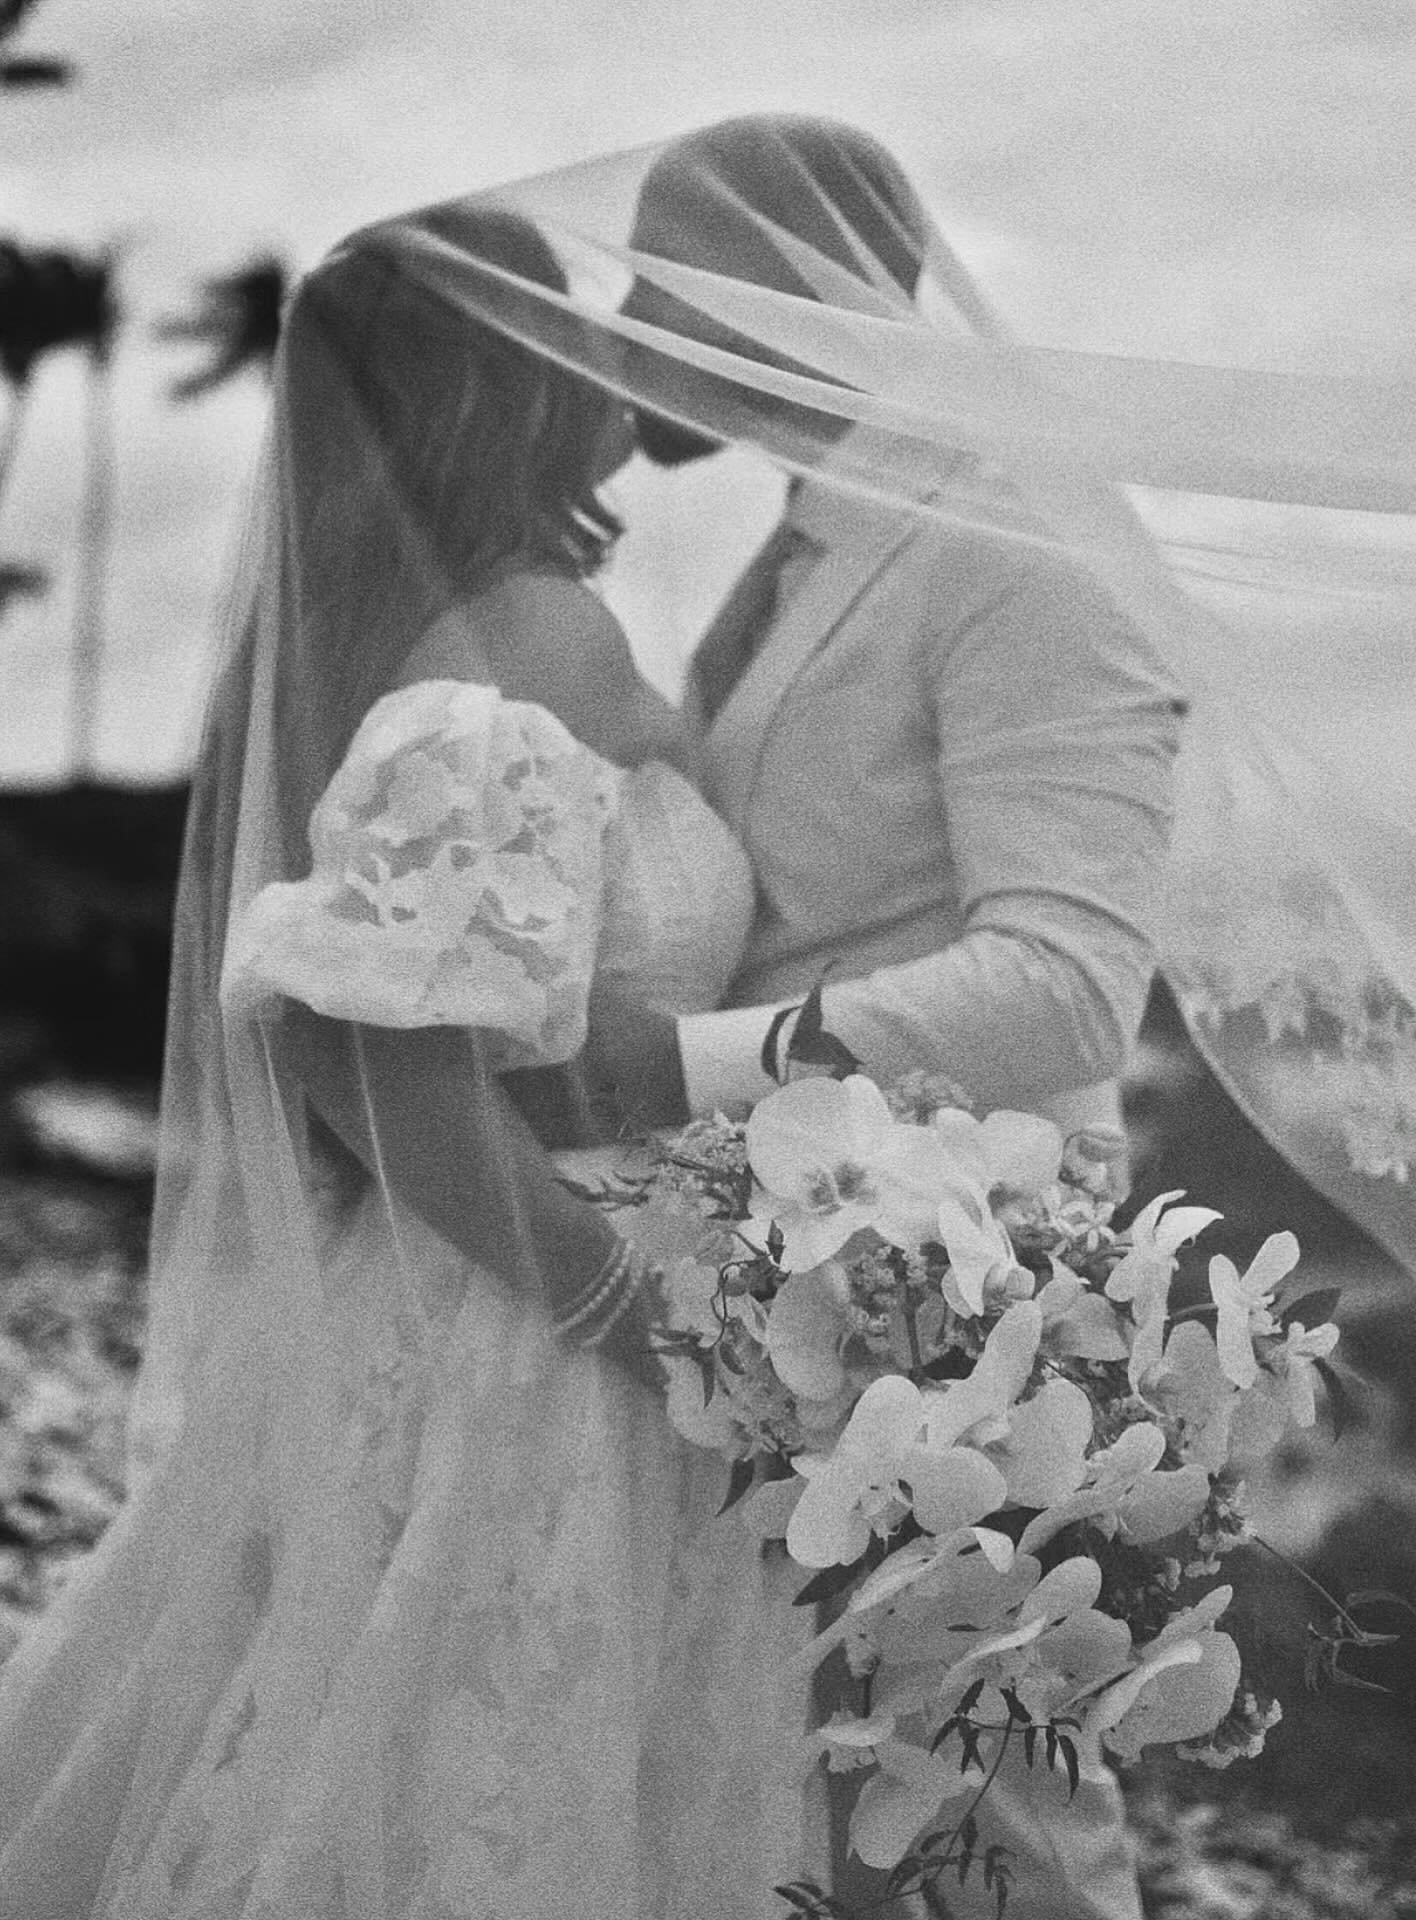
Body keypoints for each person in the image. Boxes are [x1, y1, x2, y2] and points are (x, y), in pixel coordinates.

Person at [0, 204, 811, 1920]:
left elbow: (344, 1056)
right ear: (491, 391)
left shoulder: (394, 644)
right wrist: (664, 1338)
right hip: (539, 1327)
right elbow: (414, 1094)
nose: (602, 355)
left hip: (450, 1299)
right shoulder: (519, 649)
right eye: (560, 326)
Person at [578, 114, 1185, 1920]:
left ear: (794, 296)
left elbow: (1074, 979)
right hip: (796, 1298)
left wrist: (671, 1066)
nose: (630, 323)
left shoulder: (1015, 550)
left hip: (979, 1299)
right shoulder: (812, 555)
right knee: (820, 1809)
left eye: (666, 277)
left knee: (996, 1809)